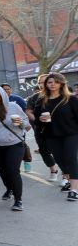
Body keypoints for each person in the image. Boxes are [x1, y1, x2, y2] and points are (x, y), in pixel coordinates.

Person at [33, 73, 78, 201]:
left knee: (70, 158)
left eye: (56, 82)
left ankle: (74, 189)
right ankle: (70, 181)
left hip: (71, 134)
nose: (53, 84)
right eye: (50, 82)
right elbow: (36, 120)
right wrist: (40, 119)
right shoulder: (42, 101)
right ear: (45, 84)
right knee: (60, 160)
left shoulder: (71, 99)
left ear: (62, 84)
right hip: (51, 135)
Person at [25, 74, 61, 183]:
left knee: (60, 153)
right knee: (44, 151)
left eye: (44, 82)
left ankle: (66, 175)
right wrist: (37, 120)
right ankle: (53, 170)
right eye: (40, 82)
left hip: (58, 129)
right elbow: (28, 111)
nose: (42, 84)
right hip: (40, 130)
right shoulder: (34, 98)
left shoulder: (60, 96)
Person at [1, 83, 32, 172]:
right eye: (4, 89)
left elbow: (25, 111)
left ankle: (27, 161)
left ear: (11, 90)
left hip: (19, 127)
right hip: (5, 129)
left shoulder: (17, 99)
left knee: (22, 145)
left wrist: (23, 122)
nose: (6, 91)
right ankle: (14, 165)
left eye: (8, 89)